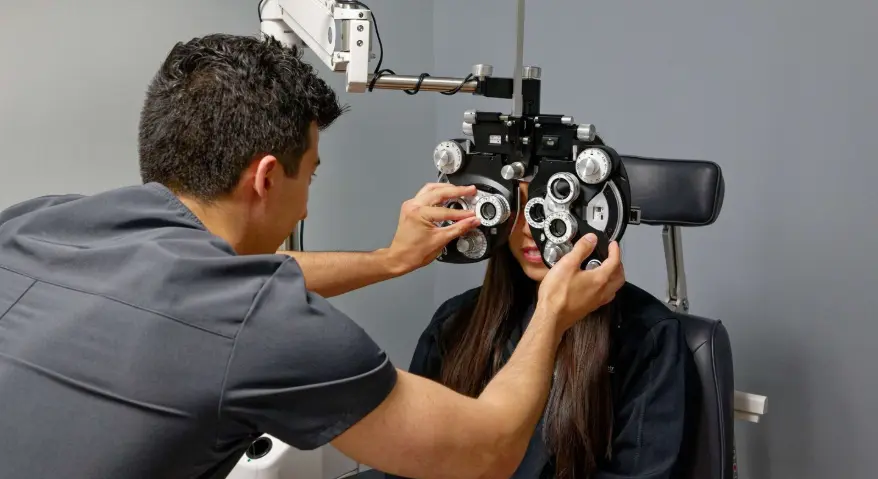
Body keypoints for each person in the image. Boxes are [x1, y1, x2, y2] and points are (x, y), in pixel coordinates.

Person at [0, 34, 626, 479]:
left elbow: (221, 288)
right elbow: (488, 452)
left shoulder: (37, 223)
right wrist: (552, 315)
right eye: (312, 178)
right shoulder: (267, 326)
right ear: (267, 178)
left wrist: (388, 260)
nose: (304, 210)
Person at [390, 182, 688, 479]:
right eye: (516, 208)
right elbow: (411, 454)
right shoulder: (455, 322)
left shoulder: (648, 336)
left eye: (550, 206)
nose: (531, 230)